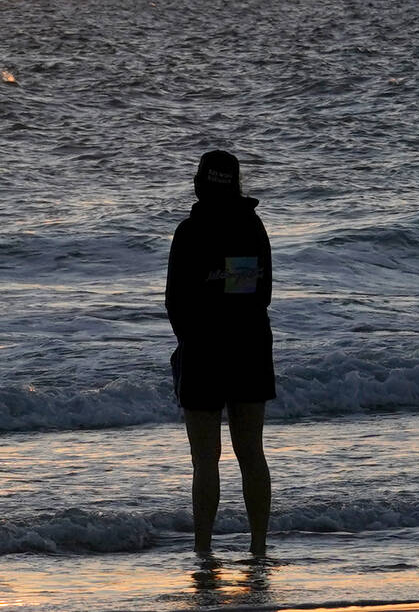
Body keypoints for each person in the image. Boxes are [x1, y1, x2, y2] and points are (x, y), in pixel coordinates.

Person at [165, 149, 274, 562]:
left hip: (203, 350)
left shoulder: (189, 233)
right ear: (237, 184)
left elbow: (175, 302)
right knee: (252, 453)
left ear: (198, 184)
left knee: (204, 462)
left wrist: (192, 339)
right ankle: (258, 548)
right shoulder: (252, 227)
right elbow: (261, 295)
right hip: (249, 346)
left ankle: (204, 550)